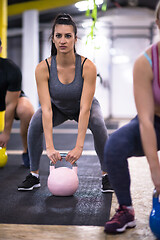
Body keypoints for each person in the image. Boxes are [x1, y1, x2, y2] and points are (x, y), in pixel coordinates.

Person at [17, 13, 112, 192]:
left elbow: (85, 108)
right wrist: (50, 147)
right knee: (35, 122)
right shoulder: (43, 68)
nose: (63, 40)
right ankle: (34, 175)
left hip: (83, 106)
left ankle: (107, 176)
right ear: (52, 39)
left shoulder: (87, 66)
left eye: (68, 36)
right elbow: (45, 108)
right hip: (57, 107)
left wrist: (79, 146)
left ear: (75, 39)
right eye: (58, 36)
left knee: (99, 123)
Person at [104, 1, 160, 234]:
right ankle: (126, 210)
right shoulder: (146, 62)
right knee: (114, 145)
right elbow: (146, 120)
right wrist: (156, 175)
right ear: (158, 23)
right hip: (154, 122)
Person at [0, 38, 34, 168]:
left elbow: (10, 104)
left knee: (26, 110)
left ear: (0, 50)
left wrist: (6, 133)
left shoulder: (11, 69)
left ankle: (27, 151)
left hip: (10, 100)